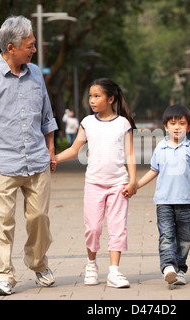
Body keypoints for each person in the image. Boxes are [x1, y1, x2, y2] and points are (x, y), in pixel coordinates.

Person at [0, 16, 58, 296]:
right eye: (30, 45)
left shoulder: (36, 73)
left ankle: (38, 263)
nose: (34, 50)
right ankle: (3, 275)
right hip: (2, 163)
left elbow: (47, 117)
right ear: (11, 47)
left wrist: (50, 151)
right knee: (1, 223)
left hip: (37, 161)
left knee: (39, 217)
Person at [55, 78, 137, 288]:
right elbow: (74, 150)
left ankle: (114, 272)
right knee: (93, 228)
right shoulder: (87, 122)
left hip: (119, 184)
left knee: (118, 228)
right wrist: (53, 158)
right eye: (90, 96)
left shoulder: (123, 123)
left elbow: (130, 154)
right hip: (94, 184)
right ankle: (91, 265)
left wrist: (133, 181)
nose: (92, 100)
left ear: (110, 99)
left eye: (97, 96)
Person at [137, 104, 190, 285]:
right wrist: (135, 185)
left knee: (185, 239)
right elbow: (153, 171)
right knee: (167, 236)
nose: (177, 127)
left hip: (186, 202)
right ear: (165, 126)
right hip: (164, 202)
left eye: (182, 123)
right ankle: (168, 267)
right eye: (172, 123)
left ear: (189, 126)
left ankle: (180, 270)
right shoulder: (160, 148)